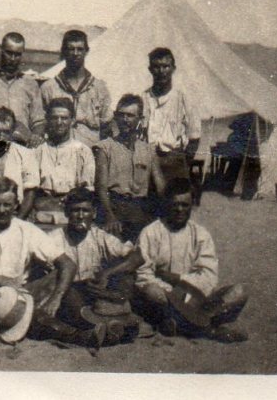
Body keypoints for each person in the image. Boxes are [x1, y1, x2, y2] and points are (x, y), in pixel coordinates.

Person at [135, 180, 249, 342]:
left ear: (192, 205)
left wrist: (179, 279)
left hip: (197, 297)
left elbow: (209, 276)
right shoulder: (151, 233)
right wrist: (174, 294)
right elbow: (143, 275)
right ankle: (209, 329)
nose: (179, 210)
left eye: (185, 205)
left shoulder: (201, 234)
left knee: (240, 291)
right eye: (175, 205)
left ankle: (183, 325)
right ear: (166, 204)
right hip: (167, 298)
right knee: (151, 292)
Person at [0, 177, 77, 325]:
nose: (2, 210)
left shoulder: (27, 229)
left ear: (16, 205)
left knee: (62, 281)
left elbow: (68, 264)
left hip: (20, 294)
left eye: (7, 205)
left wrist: (55, 299)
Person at [38, 189, 144, 345]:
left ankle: (108, 326)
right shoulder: (53, 238)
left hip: (92, 291)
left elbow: (137, 257)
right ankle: (106, 327)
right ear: (66, 213)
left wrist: (108, 273)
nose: (80, 216)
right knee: (70, 296)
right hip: (63, 294)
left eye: (85, 210)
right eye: (75, 210)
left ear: (94, 213)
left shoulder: (99, 236)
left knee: (125, 279)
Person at [94, 94, 166, 243]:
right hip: (114, 208)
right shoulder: (105, 147)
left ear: (141, 119)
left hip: (140, 211)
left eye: (130, 115)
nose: (125, 120)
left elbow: (161, 187)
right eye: (121, 115)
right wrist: (110, 217)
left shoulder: (148, 150)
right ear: (115, 117)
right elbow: (101, 187)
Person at [39, 30, 112, 147]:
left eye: (80, 49)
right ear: (64, 51)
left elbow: (107, 126)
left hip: (90, 150)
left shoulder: (99, 88)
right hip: (58, 150)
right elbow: (41, 124)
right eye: (71, 49)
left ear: (86, 51)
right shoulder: (49, 88)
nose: (75, 53)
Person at [141, 47, 202, 188]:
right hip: (149, 160)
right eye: (156, 67)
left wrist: (183, 163)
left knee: (177, 199)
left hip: (175, 159)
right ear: (150, 69)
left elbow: (194, 136)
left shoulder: (183, 97)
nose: (161, 71)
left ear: (173, 68)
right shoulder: (144, 97)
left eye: (166, 66)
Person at [29, 98, 95, 225]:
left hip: (71, 212)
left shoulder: (83, 151)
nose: (59, 122)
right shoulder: (37, 150)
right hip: (42, 211)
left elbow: (87, 189)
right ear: (47, 120)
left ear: (72, 121)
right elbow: (31, 186)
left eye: (64, 118)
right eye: (54, 118)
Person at [0, 32, 44, 145]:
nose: (12, 58)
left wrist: (35, 137)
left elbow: (38, 121)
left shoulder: (31, 84)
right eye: (9, 53)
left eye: (17, 54)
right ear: (1, 49)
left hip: (22, 147)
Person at [0, 107, 40, 216]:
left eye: (6, 132)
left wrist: (18, 220)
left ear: (13, 131)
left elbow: (30, 193)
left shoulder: (26, 154)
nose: (1, 137)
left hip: (18, 212)